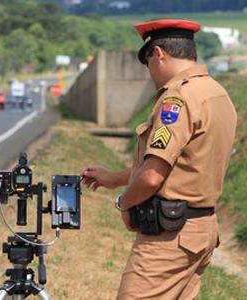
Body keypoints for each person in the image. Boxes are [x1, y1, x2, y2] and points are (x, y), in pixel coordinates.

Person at [81, 19, 237, 299]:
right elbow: (177, 163)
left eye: (148, 62)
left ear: (159, 54)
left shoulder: (177, 99)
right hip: (200, 231)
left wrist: (124, 202)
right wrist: (114, 179)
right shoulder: (217, 93)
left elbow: (153, 176)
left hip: (169, 237)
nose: (150, 72)